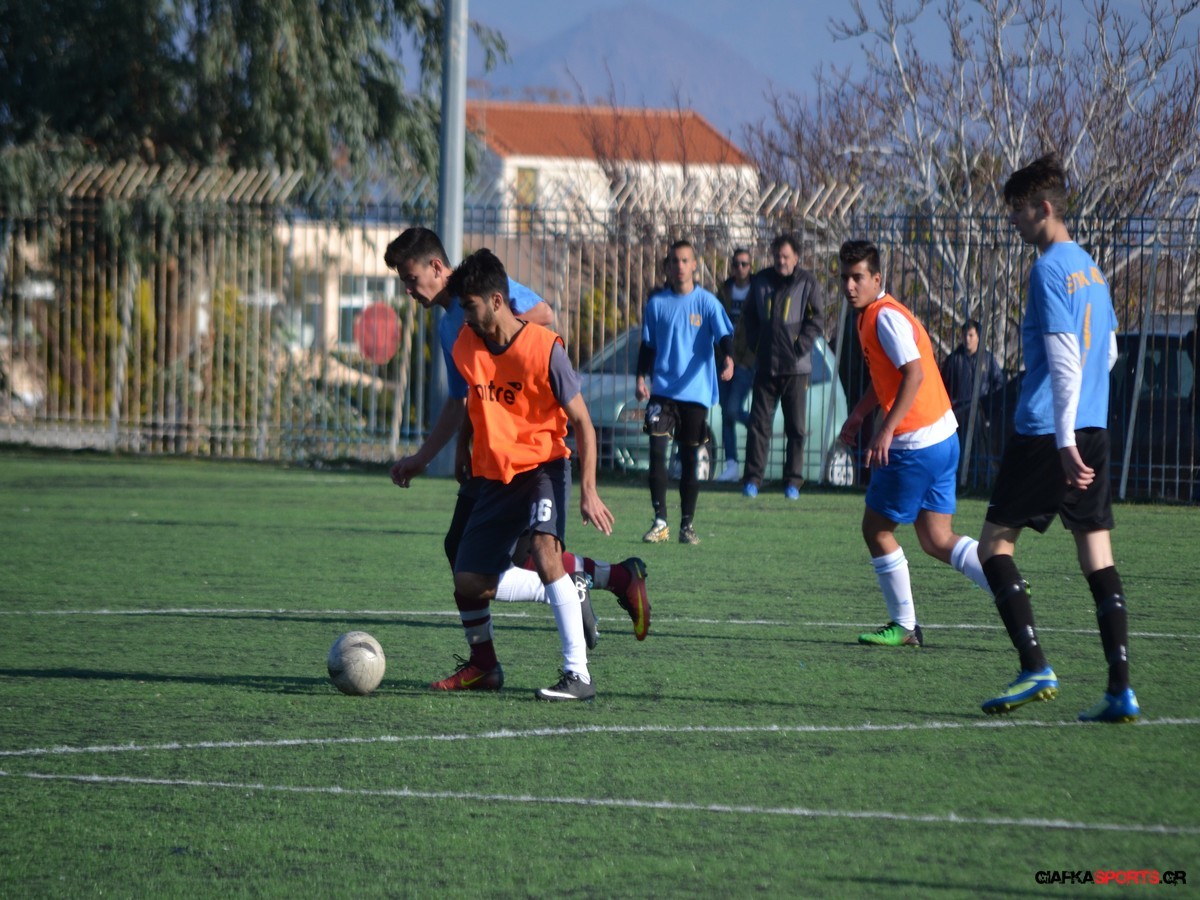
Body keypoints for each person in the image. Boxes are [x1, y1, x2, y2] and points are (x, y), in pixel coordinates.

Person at [385, 227, 650, 644]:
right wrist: (442, 453)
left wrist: (501, 343)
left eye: (410, 278)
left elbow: (543, 313)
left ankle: (574, 595)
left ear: (436, 267)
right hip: (491, 451)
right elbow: (463, 398)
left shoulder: (481, 288)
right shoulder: (449, 326)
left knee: (516, 554)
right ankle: (612, 578)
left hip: (528, 447)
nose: (408, 290)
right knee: (476, 551)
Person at [976, 153, 1138, 723]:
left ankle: (1035, 666)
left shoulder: (1047, 270)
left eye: (1019, 210)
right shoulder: (1090, 268)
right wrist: (1082, 421)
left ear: (1044, 208)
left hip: (1050, 432)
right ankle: (1120, 690)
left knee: (994, 547)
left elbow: (1065, 360)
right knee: (1097, 553)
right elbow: (1108, 352)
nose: (1013, 220)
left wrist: (1063, 439)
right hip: (1093, 427)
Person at [411, 249, 613, 700]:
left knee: (544, 552)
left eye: (470, 306)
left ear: (497, 301)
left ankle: (577, 674)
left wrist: (589, 491)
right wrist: (462, 449)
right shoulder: (466, 344)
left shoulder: (545, 348)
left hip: (543, 466)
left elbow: (583, 423)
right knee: (468, 579)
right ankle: (565, 588)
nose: (465, 316)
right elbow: (474, 399)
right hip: (493, 475)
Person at [837, 240, 994, 647]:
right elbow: (888, 378)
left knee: (876, 529)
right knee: (936, 538)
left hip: (915, 444)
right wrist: (860, 413)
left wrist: (887, 428)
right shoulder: (873, 315)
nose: (850, 286)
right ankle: (1003, 581)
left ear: (877, 279)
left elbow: (914, 374)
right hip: (942, 438)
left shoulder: (885, 317)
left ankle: (905, 626)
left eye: (858, 278)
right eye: (845, 278)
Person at [635, 239, 734, 545]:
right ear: (667, 267)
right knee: (657, 451)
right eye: (674, 261)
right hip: (663, 392)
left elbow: (724, 335)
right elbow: (648, 345)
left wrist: (728, 358)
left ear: (694, 266)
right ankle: (660, 521)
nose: (680, 266)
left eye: (685, 260)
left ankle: (686, 525)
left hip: (695, 394)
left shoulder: (707, 303)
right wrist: (640, 377)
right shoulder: (657, 304)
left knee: (689, 458)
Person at [741, 233, 827, 500]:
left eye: (786, 257)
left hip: (796, 368)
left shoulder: (807, 282)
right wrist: (756, 345)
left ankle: (792, 482)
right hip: (765, 366)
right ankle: (752, 480)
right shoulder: (761, 280)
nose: (781, 261)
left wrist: (799, 346)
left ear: (796, 258)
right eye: (778, 256)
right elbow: (749, 316)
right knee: (758, 425)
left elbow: (817, 318)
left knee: (796, 428)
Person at [715, 248, 756, 482]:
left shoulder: (757, 291)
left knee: (732, 409)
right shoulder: (724, 290)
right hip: (724, 359)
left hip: (746, 361)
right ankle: (731, 463)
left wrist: (750, 357)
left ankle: (758, 426)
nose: (740, 268)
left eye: (744, 264)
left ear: (750, 267)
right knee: (726, 414)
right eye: (736, 264)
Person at [940, 319, 1005, 411]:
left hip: (982, 409)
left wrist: (989, 399)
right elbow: (942, 384)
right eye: (964, 335)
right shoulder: (953, 359)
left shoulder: (987, 358)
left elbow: (999, 381)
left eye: (971, 335)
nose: (967, 339)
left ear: (978, 337)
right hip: (959, 410)